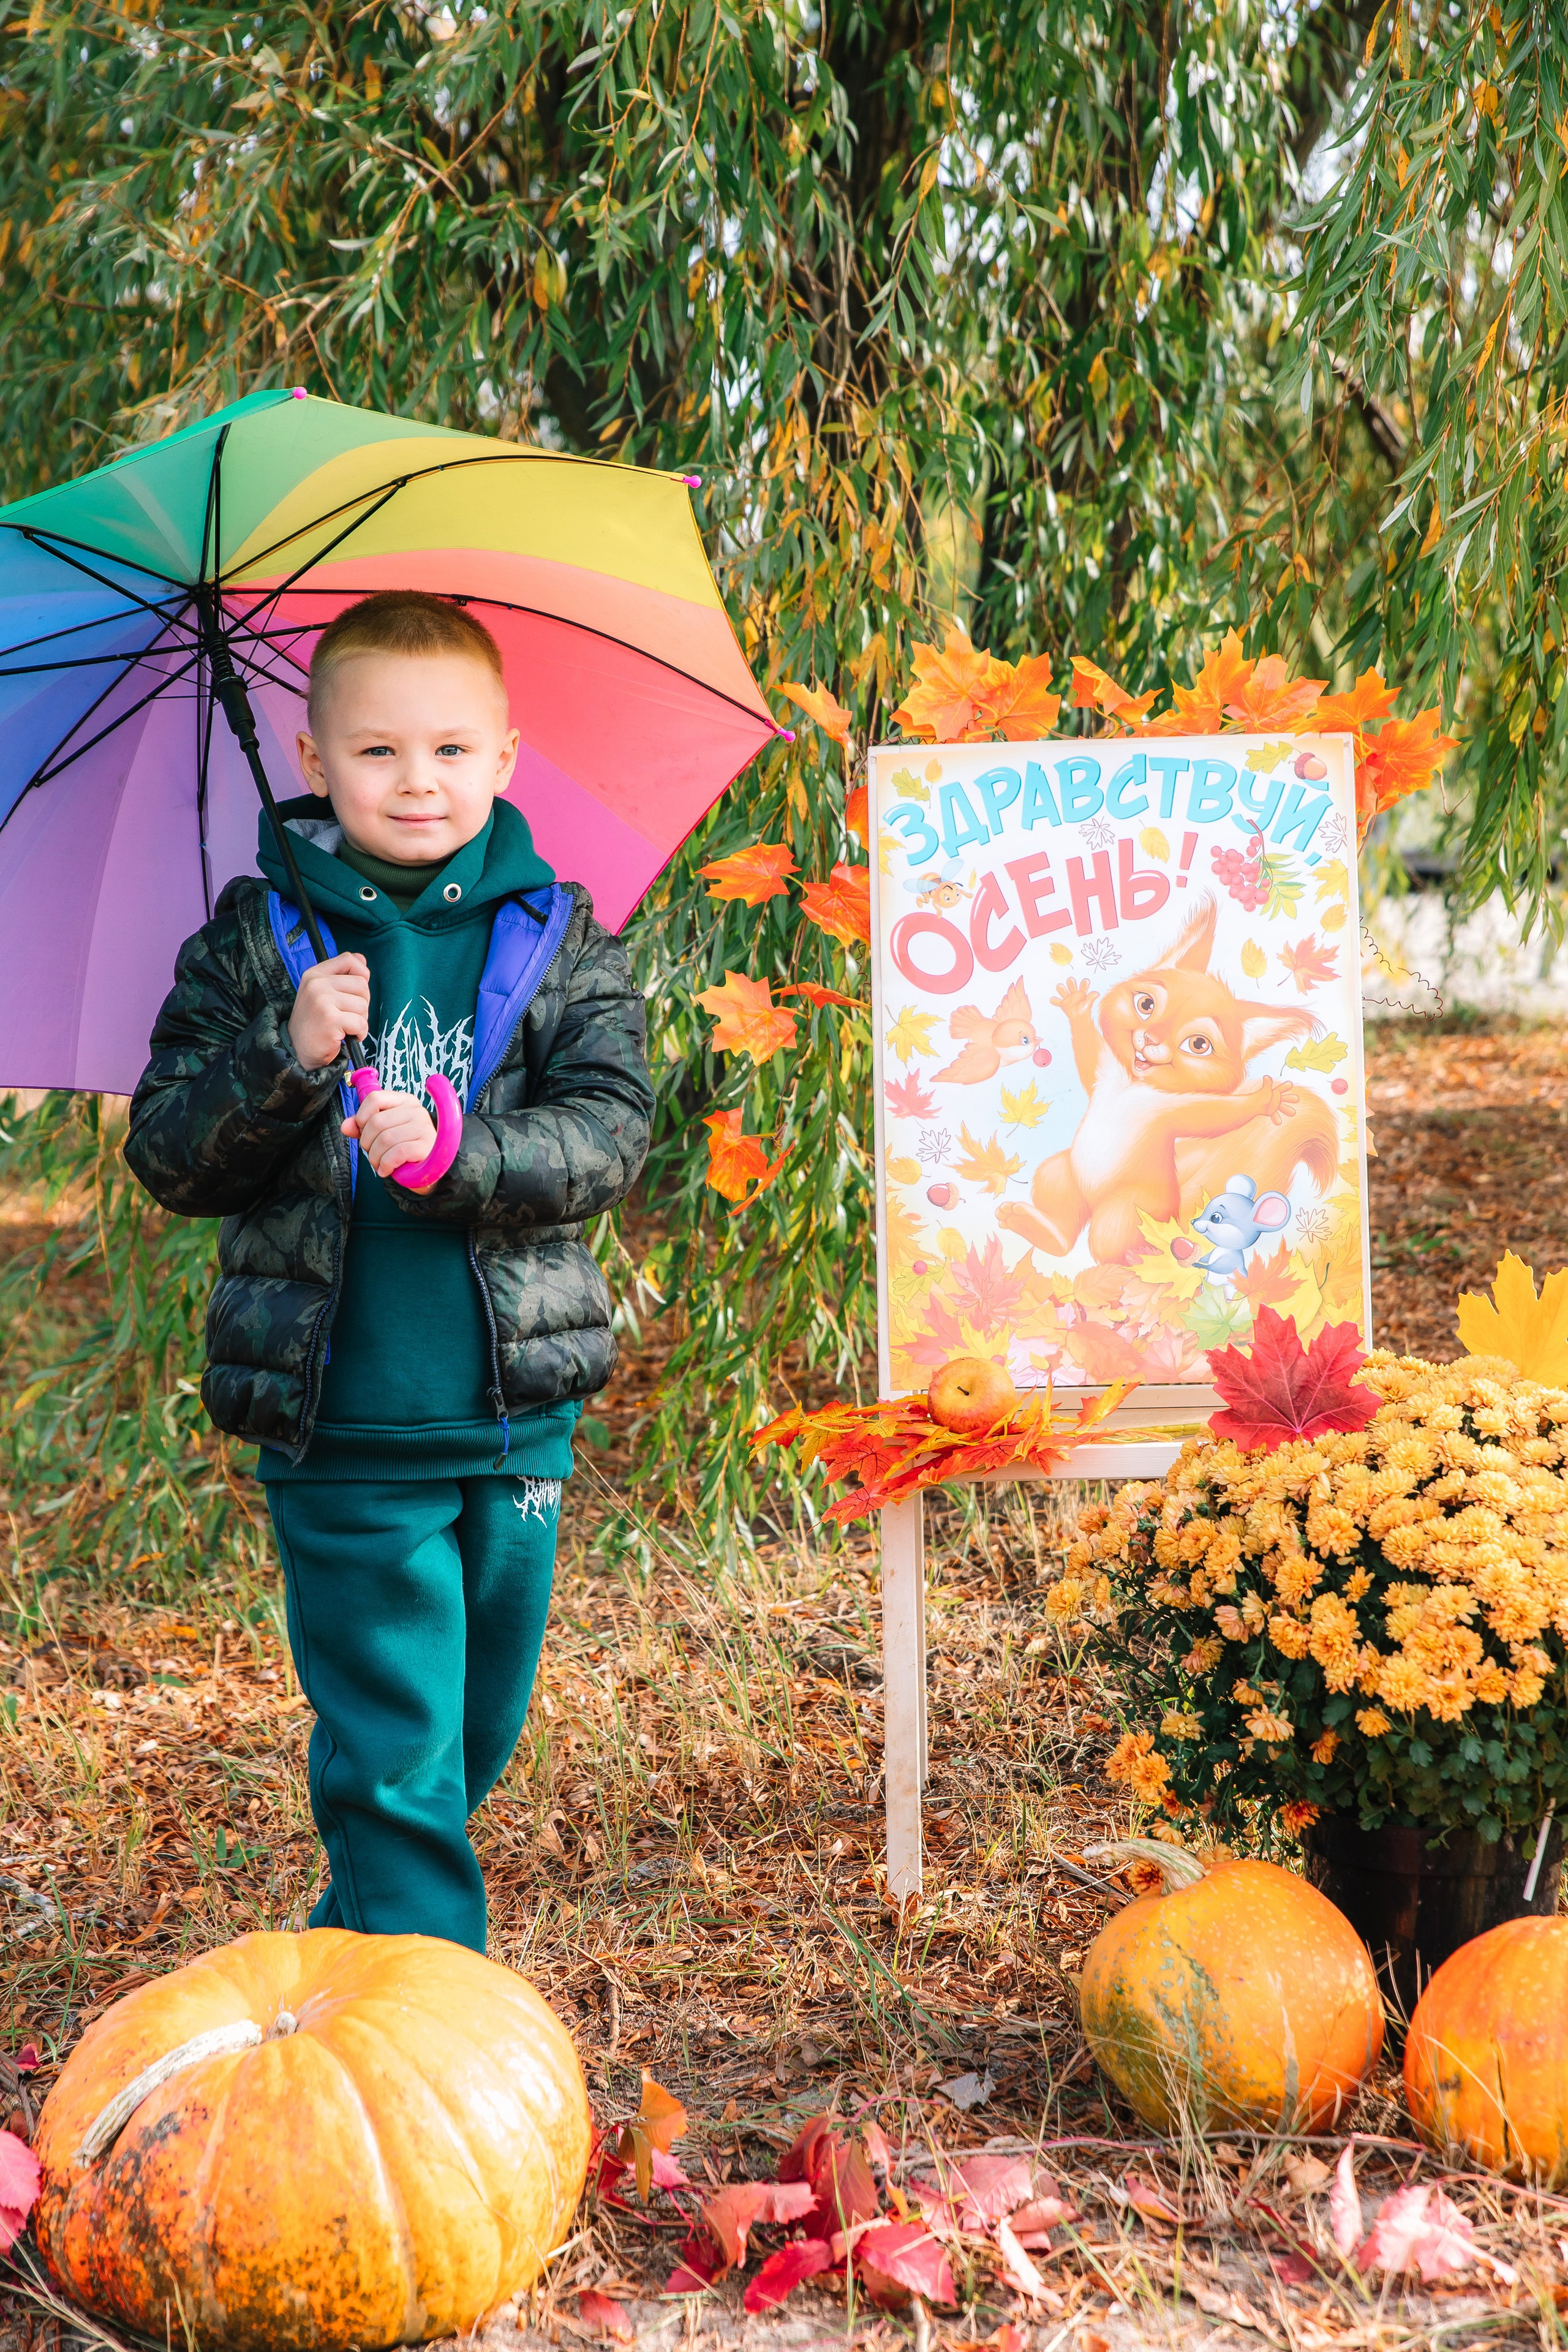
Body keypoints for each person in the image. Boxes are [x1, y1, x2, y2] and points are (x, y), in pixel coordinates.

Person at [126, 590, 654, 1951]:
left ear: (505, 756)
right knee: (394, 1744)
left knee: (469, 1731)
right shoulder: (258, 945)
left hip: (510, 1413)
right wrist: (285, 1054)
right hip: (345, 1416)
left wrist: (462, 1151)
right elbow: (172, 1153)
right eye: (377, 752)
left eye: (450, 750)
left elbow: (610, 1132)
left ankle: (346, 1961)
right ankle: (431, 1999)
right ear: (313, 760)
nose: (417, 781)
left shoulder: (559, 935)